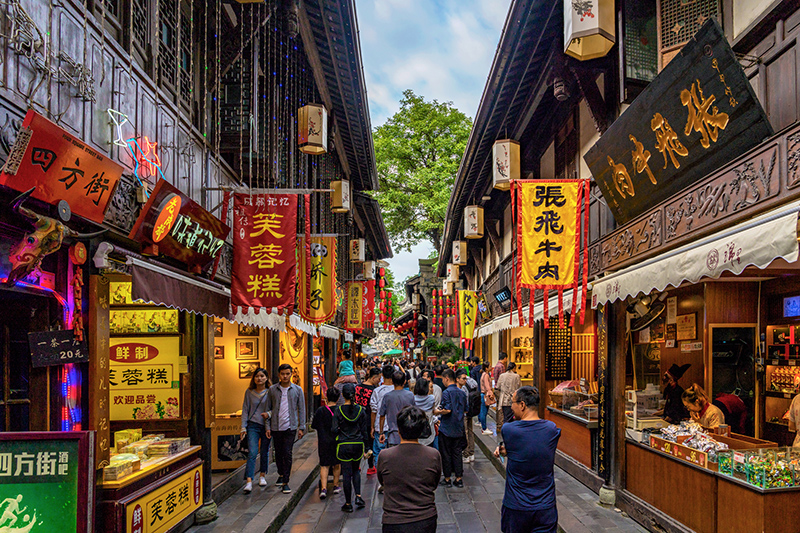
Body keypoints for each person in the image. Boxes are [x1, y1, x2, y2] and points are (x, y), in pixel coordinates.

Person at [494, 386, 561, 533]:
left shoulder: (508, 429)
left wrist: (505, 451)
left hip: (517, 505)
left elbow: (518, 447)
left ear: (522, 405)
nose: (511, 407)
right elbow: (532, 448)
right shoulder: (551, 429)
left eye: (513, 403)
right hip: (545, 505)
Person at [378, 406, 442, 533]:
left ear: (399, 431)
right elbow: (434, 483)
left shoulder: (385, 456)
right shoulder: (433, 455)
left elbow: (382, 481)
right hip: (425, 518)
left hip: (394, 519)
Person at [264, 364, 306, 494]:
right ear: (278, 375)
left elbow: (301, 409)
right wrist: (267, 426)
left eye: (287, 374)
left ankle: (286, 481)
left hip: (290, 426)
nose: (285, 376)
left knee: (287, 453)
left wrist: (302, 427)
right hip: (276, 426)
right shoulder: (272, 390)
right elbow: (268, 408)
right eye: (283, 374)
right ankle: (281, 473)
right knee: (278, 452)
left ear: (291, 374)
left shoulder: (297, 390)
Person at [332, 383, 370, 512]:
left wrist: (339, 433)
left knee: (347, 473)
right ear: (355, 394)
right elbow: (365, 431)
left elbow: (333, 430)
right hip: (358, 444)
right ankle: (358, 496)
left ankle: (348, 503)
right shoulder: (361, 410)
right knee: (356, 471)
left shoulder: (338, 410)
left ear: (342, 395)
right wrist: (367, 448)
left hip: (343, 445)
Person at [434, 369, 468, 487]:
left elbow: (447, 409)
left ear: (446, 378)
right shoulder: (462, 393)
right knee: (457, 453)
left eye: (443, 379)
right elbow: (465, 409)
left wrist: (437, 412)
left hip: (447, 428)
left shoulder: (447, 392)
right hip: (459, 427)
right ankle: (459, 478)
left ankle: (447, 478)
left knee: (446, 453)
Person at [240, 368, 271, 493]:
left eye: (262, 376)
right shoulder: (249, 392)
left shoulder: (270, 392)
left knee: (264, 451)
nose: (259, 378)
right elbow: (245, 409)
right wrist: (243, 427)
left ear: (266, 378)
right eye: (257, 376)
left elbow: (275, 408)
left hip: (266, 426)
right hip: (252, 425)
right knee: (252, 452)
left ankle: (262, 475)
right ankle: (249, 481)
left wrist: (268, 414)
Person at [311, 387, 341, 500]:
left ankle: (323, 488)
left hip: (323, 441)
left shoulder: (320, 411)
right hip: (337, 440)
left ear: (327, 397)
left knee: (324, 465)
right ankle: (336, 485)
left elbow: (314, 425)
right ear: (338, 398)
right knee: (336, 464)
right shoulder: (340, 410)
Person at [355, 366, 382, 475]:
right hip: (368, 418)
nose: (379, 381)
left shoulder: (357, 387)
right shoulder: (374, 391)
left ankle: (357, 465)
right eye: (379, 378)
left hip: (357, 418)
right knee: (370, 443)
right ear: (374, 377)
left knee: (358, 441)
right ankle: (371, 467)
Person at [379, 371, 415, 448]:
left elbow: (382, 416)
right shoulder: (410, 395)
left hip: (393, 435)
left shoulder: (387, 396)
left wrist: (381, 432)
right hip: (408, 435)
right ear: (404, 381)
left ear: (392, 381)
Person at [370, 365, 396, 462]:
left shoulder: (377, 391)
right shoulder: (397, 390)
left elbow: (374, 410)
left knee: (379, 452)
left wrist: (372, 427)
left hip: (379, 427)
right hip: (394, 426)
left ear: (382, 376)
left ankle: (380, 475)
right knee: (393, 452)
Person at [456, 369, 476, 463]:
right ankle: (472, 452)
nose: (464, 380)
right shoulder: (471, 382)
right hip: (470, 411)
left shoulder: (462, 388)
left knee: (466, 432)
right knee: (470, 431)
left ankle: (466, 454)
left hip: (464, 412)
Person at [496, 362, 522, 432]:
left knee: (505, 417)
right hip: (513, 399)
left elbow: (498, 386)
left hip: (504, 399)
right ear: (514, 368)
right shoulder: (516, 376)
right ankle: (510, 431)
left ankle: (505, 431)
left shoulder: (502, 375)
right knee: (511, 417)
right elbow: (519, 387)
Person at [414, 377, 437, 447]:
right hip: (429, 430)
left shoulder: (412, 399)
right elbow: (433, 411)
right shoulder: (431, 398)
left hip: (416, 430)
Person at [493, 353, 508, 435]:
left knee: (499, 408)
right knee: (501, 408)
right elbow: (502, 379)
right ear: (505, 358)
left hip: (496, 388)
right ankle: (500, 425)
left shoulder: (496, 365)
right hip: (500, 389)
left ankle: (498, 425)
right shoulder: (501, 366)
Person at [479, 363, 496, 435]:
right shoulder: (486, 375)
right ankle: (484, 428)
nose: (491, 367)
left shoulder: (484, 374)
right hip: (485, 395)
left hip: (483, 394)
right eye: (489, 366)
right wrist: (490, 393)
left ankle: (483, 426)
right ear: (486, 368)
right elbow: (487, 386)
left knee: (483, 411)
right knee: (484, 412)